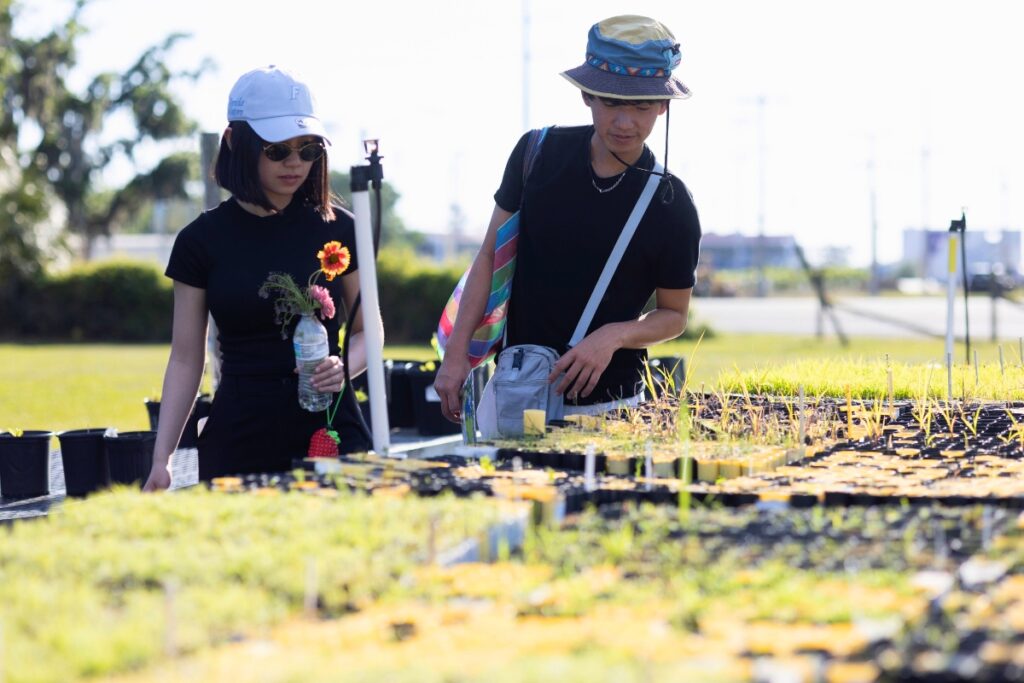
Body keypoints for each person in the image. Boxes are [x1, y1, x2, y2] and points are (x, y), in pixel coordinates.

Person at [434, 15, 701, 431]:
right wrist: (455, 357)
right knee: (508, 494)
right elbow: (489, 256)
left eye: (642, 105)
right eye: (611, 101)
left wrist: (612, 336)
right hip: (520, 394)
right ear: (587, 97)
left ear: (663, 105)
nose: (625, 121)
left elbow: (673, 315)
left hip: (612, 409)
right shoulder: (536, 154)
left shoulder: (672, 202)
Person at [144, 66, 373, 491]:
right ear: (234, 141)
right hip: (240, 437)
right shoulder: (200, 240)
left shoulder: (340, 228)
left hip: (331, 430)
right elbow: (185, 358)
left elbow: (368, 331)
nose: (294, 163)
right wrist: (164, 458)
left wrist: (344, 367)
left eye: (308, 150)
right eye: (277, 150)